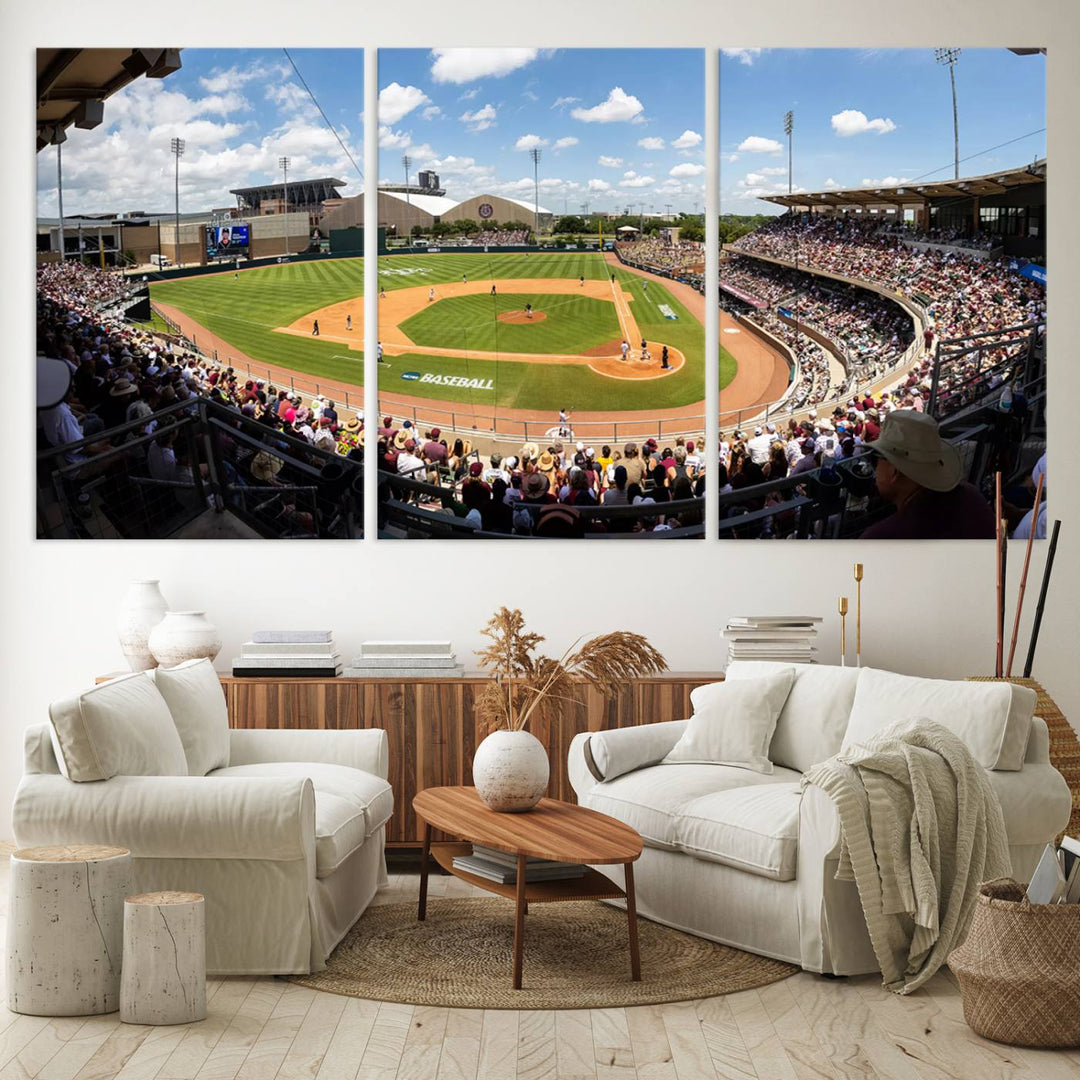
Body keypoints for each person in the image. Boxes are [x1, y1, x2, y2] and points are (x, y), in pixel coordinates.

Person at [861, 411, 996, 540]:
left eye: (875, 460)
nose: (875, 468)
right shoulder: (971, 495)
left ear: (894, 472)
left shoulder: (879, 539)